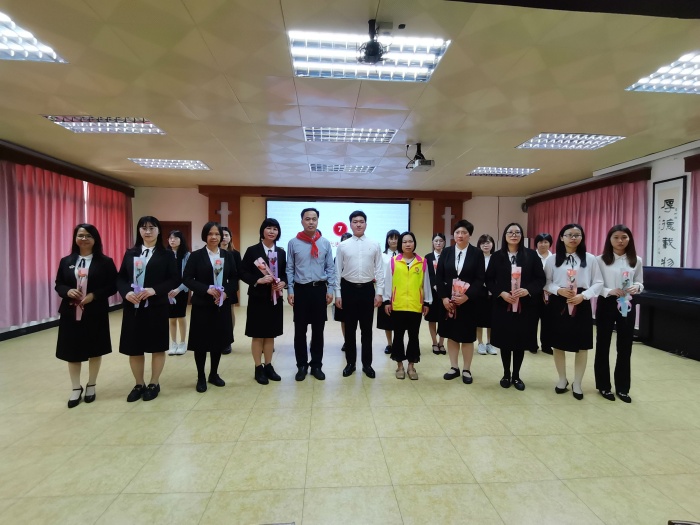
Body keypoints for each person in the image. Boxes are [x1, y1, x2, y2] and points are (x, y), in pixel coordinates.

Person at [117, 216, 179, 402]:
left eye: (152, 228)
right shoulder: (131, 253)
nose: (148, 231)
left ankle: (154, 383)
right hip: (133, 307)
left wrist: (155, 290)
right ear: (139, 231)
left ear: (158, 231)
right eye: (143, 228)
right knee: (134, 347)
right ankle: (139, 383)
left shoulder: (166, 255)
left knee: (157, 346)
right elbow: (121, 278)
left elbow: (174, 279)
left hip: (156, 306)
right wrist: (126, 292)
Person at [55, 224, 117, 408]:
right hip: (70, 313)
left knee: (95, 349)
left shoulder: (105, 262)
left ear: (95, 239)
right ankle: (76, 387)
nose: (84, 239)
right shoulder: (66, 261)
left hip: (95, 312)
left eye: (88, 235)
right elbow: (58, 284)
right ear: (75, 238)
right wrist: (67, 291)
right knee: (72, 351)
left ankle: (91, 384)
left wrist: (94, 295)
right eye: (80, 235)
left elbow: (113, 285)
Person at [544, 223, 603, 400]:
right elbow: (546, 282)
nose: (573, 238)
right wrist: (558, 290)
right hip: (559, 302)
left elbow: (598, 282)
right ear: (561, 238)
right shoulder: (553, 259)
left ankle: (577, 382)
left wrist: (584, 296)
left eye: (577, 235)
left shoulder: (590, 259)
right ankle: (562, 379)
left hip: (581, 302)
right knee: (558, 343)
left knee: (582, 345)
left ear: (582, 238)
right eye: (569, 235)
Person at [486, 223, 545, 391]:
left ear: (521, 235)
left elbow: (540, 279)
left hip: (525, 306)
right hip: (503, 305)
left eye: (517, 232)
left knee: (520, 341)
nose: (514, 235)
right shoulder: (497, 256)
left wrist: (528, 290)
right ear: (505, 236)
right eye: (510, 232)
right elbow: (489, 280)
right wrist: (501, 293)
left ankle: (517, 375)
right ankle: (506, 374)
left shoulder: (531, 256)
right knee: (505, 341)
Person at [183, 222, 238, 392]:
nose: (214, 237)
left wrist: (225, 293)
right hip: (202, 304)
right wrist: (206, 289)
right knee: (201, 342)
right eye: (210, 234)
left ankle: (214, 374)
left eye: (217, 234)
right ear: (205, 236)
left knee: (218, 341)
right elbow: (187, 278)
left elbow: (234, 279)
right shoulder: (196, 256)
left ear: (221, 237)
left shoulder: (227, 256)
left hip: (220, 304)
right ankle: (201, 376)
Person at [286, 208, 337, 381]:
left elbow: (330, 268)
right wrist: (290, 290)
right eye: (307, 219)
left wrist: (330, 290)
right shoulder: (293, 243)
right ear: (302, 221)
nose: (311, 222)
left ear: (318, 221)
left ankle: (316, 365)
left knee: (318, 330)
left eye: (314, 219)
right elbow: (290, 268)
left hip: (319, 290)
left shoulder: (325, 243)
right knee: (300, 331)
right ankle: (301, 365)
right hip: (301, 290)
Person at [595, 225, 644, 403]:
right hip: (607, 302)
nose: (620, 241)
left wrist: (637, 287)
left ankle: (623, 388)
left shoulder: (636, 260)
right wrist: (609, 290)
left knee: (625, 346)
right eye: (616, 237)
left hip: (627, 304)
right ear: (610, 239)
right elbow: (596, 283)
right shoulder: (600, 260)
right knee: (603, 344)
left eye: (624, 237)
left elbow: (640, 282)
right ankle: (603, 385)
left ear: (629, 239)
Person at [335, 210, 385, 379]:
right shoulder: (343, 246)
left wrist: (379, 293)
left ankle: (367, 364)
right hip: (348, 289)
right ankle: (350, 363)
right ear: (350, 224)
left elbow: (379, 270)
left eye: (361, 221)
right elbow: (337, 271)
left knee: (366, 330)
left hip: (367, 290)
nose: (358, 224)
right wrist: (338, 294)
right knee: (349, 329)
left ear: (366, 224)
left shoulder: (374, 244)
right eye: (355, 221)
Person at [436, 219, 485, 384]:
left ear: (470, 235)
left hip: (468, 303)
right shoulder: (446, 252)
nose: (460, 235)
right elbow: (439, 277)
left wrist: (467, 296)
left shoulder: (477, 254)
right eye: (457, 232)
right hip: (449, 303)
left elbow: (480, 279)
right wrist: (444, 298)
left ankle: (466, 369)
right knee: (451, 335)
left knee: (467, 337)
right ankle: (454, 367)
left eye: (464, 232)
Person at [241, 218, 286, 385]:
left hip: (275, 298)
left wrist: (283, 283)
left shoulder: (281, 252)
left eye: (275, 229)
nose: (272, 231)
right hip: (258, 297)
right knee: (258, 334)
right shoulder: (253, 250)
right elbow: (242, 272)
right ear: (262, 231)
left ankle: (268, 365)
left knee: (270, 333)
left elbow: (285, 273)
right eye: (269, 228)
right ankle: (258, 367)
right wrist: (257, 280)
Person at [384, 232, 432, 380]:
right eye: (404, 242)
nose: (407, 244)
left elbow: (426, 283)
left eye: (410, 241)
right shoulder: (393, 261)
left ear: (414, 243)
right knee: (398, 337)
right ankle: (399, 366)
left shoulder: (422, 262)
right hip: (397, 305)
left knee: (413, 337)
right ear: (401, 244)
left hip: (415, 306)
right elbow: (388, 282)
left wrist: (426, 302)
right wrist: (387, 301)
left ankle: (411, 366)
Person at [167, 230, 190, 356]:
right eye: (170, 238)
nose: (172, 240)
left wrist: (178, 289)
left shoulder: (187, 255)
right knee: (171, 318)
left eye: (175, 238)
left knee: (181, 316)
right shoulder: (165, 254)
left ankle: (182, 343)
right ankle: (173, 343)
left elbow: (189, 276)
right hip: (168, 291)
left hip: (181, 290)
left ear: (181, 240)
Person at [220, 226, 241, 355]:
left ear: (230, 237)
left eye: (227, 235)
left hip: (230, 287)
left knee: (229, 312)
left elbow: (238, 273)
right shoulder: (213, 252)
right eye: (222, 235)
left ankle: (228, 340)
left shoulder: (235, 253)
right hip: (215, 288)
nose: (224, 237)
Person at [424, 233, 446, 355]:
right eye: (436, 241)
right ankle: (434, 342)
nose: (438, 243)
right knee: (432, 318)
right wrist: (434, 285)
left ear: (444, 243)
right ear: (432, 242)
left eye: (441, 241)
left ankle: (441, 343)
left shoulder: (448, 255)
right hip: (431, 292)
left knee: (444, 318)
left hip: (445, 293)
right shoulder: (427, 257)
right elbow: (427, 275)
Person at [378, 229, 400, 355]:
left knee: (399, 319)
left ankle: (397, 342)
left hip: (400, 291)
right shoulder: (382, 256)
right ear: (387, 240)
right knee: (387, 319)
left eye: (396, 238)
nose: (393, 241)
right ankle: (389, 343)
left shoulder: (404, 255)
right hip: (386, 291)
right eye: (391, 238)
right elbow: (379, 273)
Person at [475, 234, 497, 355]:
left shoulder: (497, 257)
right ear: (479, 245)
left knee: (491, 320)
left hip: (493, 292)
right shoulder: (476, 258)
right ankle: (480, 343)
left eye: (488, 242)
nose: (485, 245)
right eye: (483, 243)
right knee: (479, 319)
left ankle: (490, 343)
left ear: (492, 244)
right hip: (479, 292)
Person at [534, 233, 554, 354]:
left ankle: (546, 345)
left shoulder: (554, 258)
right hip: (534, 292)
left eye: (546, 242)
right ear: (536, 244)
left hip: (550, 293)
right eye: (540, 242)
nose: (543, 244)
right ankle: (532, 344)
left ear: (550, 244)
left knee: (548, 321)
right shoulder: (531, 256)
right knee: (532, 319)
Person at [333, 231, 353, 351]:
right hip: (342, 290)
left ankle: (352, 341)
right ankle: (347, 341)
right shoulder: (337, 258)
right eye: (343, 241)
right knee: (344, 319)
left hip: (354, 290)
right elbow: (336, 275)